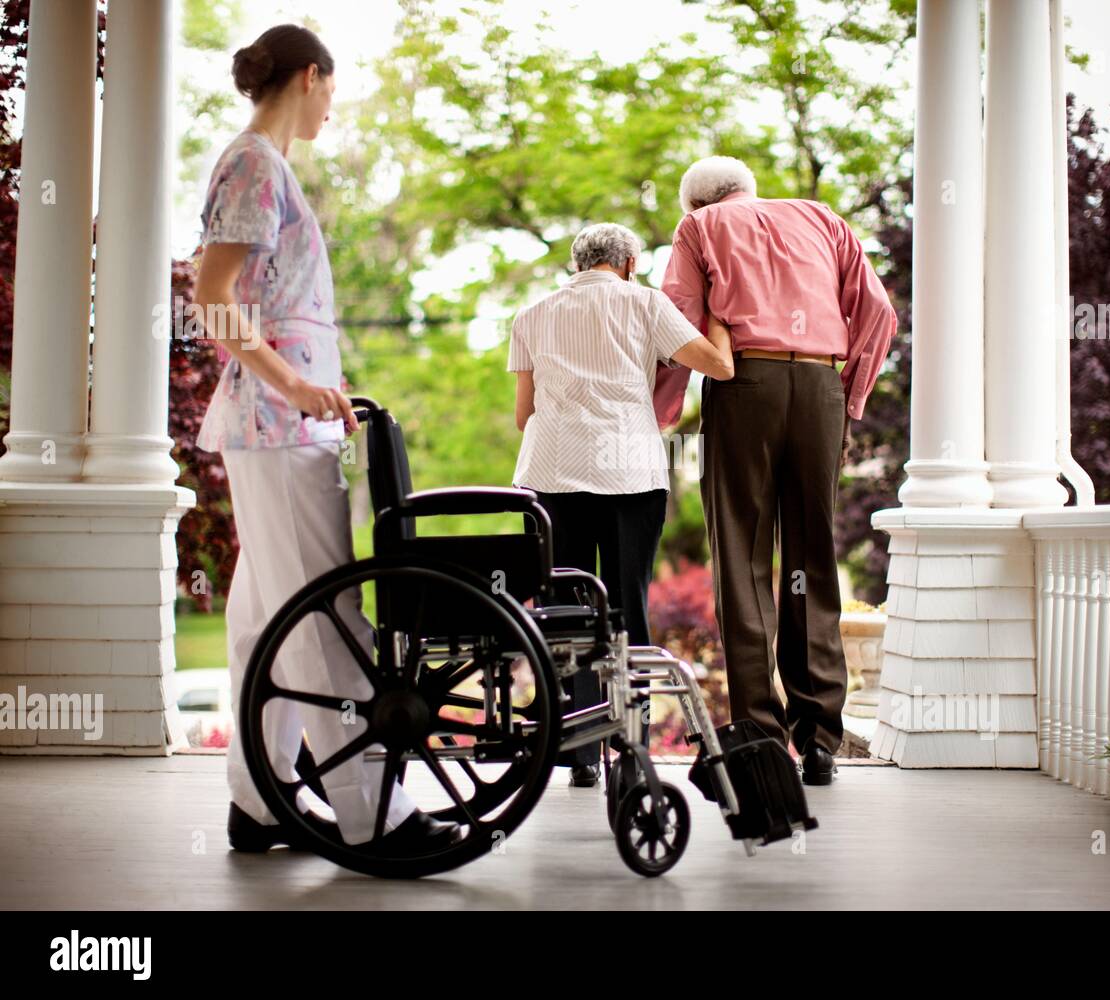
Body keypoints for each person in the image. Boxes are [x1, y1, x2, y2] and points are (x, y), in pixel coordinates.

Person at [192, 24, 462, 852]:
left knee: (262, 617)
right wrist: (296, 384)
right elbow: (210, 296)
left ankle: (259, 801)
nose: (332, 108)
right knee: (327, 613)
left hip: (276, 422)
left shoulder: (262, 166)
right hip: (280, 424)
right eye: (332, 90)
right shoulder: (255, 165)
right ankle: (373, 811)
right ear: (311, 76)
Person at [654, 156, 897, 785]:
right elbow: (877, 312)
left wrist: (661, 409)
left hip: (746, 386)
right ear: (748, 190)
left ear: (695, 206)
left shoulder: (699, 230)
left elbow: (676, 319)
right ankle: (819, 740)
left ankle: (760, 736)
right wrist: (850, 397)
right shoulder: (822, 218)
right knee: (811, 557)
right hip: (820, 385)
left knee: (742, 555)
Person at [509, 223, 735, 786]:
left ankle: (579, 754)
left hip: (550, 475)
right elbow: (718, 365)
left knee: (567, 610)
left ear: (577, 264)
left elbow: (523, 415)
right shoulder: (645, 304)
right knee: (625, 605)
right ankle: (628, 752)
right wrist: (723, 327)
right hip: (628, 473)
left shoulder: (532, 315)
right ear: (630, 263)